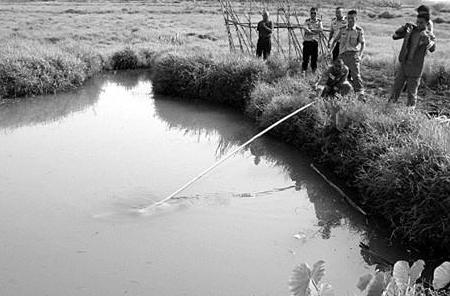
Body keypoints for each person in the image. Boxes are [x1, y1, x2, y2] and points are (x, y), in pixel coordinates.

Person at [388, 13, 436, 108]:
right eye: (417, 22)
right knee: (395, 90)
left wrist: (428, 40)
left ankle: (408, 116)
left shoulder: (429, 35)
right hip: (404, 65)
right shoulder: (412, 30)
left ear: (427, 24)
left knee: (412, 95)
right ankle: (388, 110)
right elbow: (395, 36)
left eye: (421, 23)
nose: (418, 24)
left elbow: (432, 48)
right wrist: (404, 28)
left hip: (415, 69)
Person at [331, 10, 365, 95]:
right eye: (348, 18)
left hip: (353, 56)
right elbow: (335, 40)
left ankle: (360, 95)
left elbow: (363, 44)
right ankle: (335, 92)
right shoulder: (342, 29)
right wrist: (330, 51)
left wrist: (360, 55)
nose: (350, 20)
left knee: (356, 76)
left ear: (356, 19)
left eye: (352, 18)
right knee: (338, 74)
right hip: (342, 56)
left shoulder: (359, 30)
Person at [302, 7, 323, 76]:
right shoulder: (307, 21)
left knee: (314, 58)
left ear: (317, 13)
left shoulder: (319, 22)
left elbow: (320, 30)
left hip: (314, 42)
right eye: (312, 13)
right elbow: (305, 29)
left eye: (315, 13)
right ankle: (304, 71)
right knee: (305, 58)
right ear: (310, 13)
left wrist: (311, 30)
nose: (313, 14)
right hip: (307, 42)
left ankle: (313, 72)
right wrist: (314, 31)